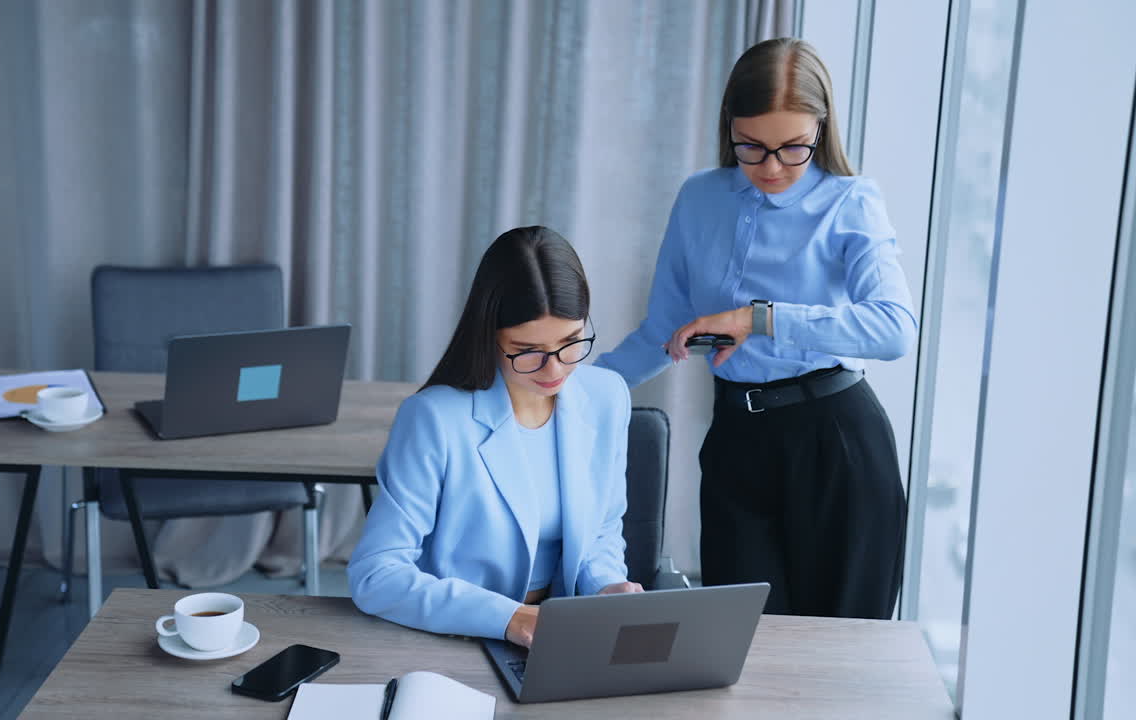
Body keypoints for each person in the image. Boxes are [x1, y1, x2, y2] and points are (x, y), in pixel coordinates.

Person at [595, 37, 917, 620]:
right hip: (736, 445)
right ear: (730, 128)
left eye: (793, 147)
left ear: (821, 129)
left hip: (836, 445)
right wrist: (563, 388)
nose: (771, 167)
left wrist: (760, 319)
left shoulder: (851, 202)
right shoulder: (699, 198)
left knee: (835, 663)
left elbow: (894, 330)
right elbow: (661, 335)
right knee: (742, 648)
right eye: (752, 147)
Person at [348, 225, 643, 648]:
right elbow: (377, 573)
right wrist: (513, 619)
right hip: (458, 635)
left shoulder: (606, 395)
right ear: (489, 336)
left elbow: (601, 529)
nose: (554, 370)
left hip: (564, 633)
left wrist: (606, 586)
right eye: (527, 351)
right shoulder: (433, 417)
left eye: (571, 343)